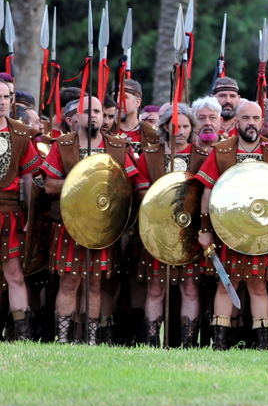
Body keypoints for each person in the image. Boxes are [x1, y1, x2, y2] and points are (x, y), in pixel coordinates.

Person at [195, 101, 268, 349]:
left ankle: (262, 344)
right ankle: (220, 344)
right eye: (246, 118)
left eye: (256, 118)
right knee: (226, 284)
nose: (251, 123)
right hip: (228, 230)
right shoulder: (222, 151)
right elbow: (207, 192)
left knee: (259, 286)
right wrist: (205, 230)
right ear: (236, 121)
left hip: (262, 232)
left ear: (262, 122)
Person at [41, 95, 144, 344]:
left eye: (98, 111)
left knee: (95, 284)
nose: (95, 116)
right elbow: (49, 185)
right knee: (69, 282)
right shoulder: (63, 145)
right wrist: (80, 182)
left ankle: (91, 340)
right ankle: (64, 339)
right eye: (88, 111)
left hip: (103, 226)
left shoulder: (117, 146)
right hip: (69, 224)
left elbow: (130, 185)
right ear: (76, 117)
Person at [136, 103, 211, 347]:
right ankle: (152, 342)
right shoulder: (150, 155)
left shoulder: (202, 157)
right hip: (157, 231)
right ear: (166, 126)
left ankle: (188, 343)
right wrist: (162, 199)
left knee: (190, 288)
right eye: (175, 126)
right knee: (156, 288)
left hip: (190, 232)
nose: (180, 131)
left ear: (192, 128)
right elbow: (141, 190)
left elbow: (206, 193)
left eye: (185, 126)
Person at [0, 84, 45, 341]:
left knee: (15, 275)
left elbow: (29, 178)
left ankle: (23, 335)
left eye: (6, 97)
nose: (2, 101)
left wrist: (31, 217)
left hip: (10, 213)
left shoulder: (20, 133)